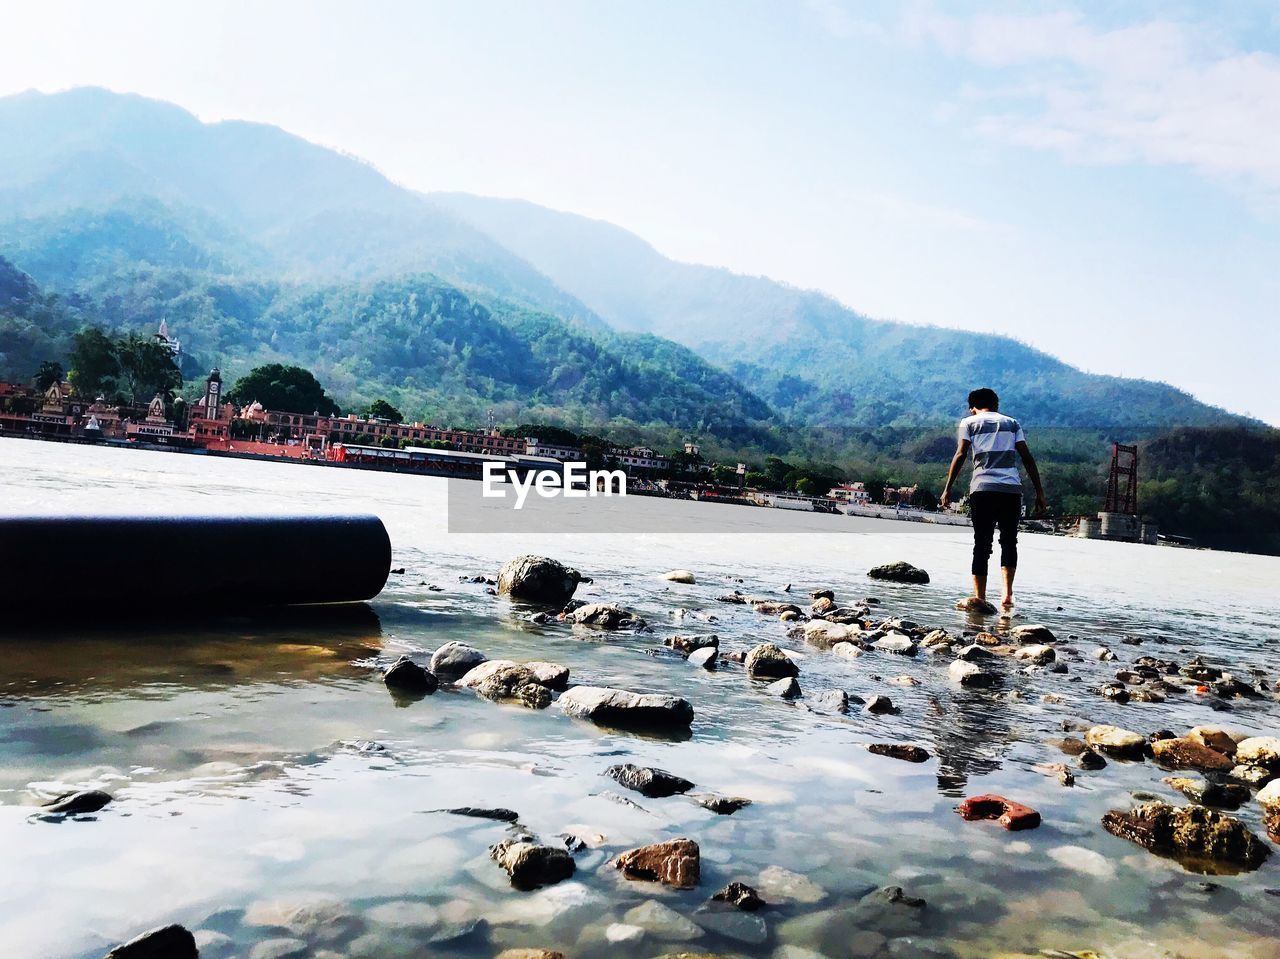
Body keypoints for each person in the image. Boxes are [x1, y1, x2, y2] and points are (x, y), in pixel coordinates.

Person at [940, 387, 1047, 610]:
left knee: (982, 543)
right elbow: (1026, 457)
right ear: (996, 404)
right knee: (1009, 541)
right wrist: (1039, 492)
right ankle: (1007, 595)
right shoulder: (1012, 423)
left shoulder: (968, 423)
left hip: (982, 489)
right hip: (1011, 490)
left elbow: (960, 454)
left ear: (972, 408)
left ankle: (980, 596)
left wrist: (948, 488)